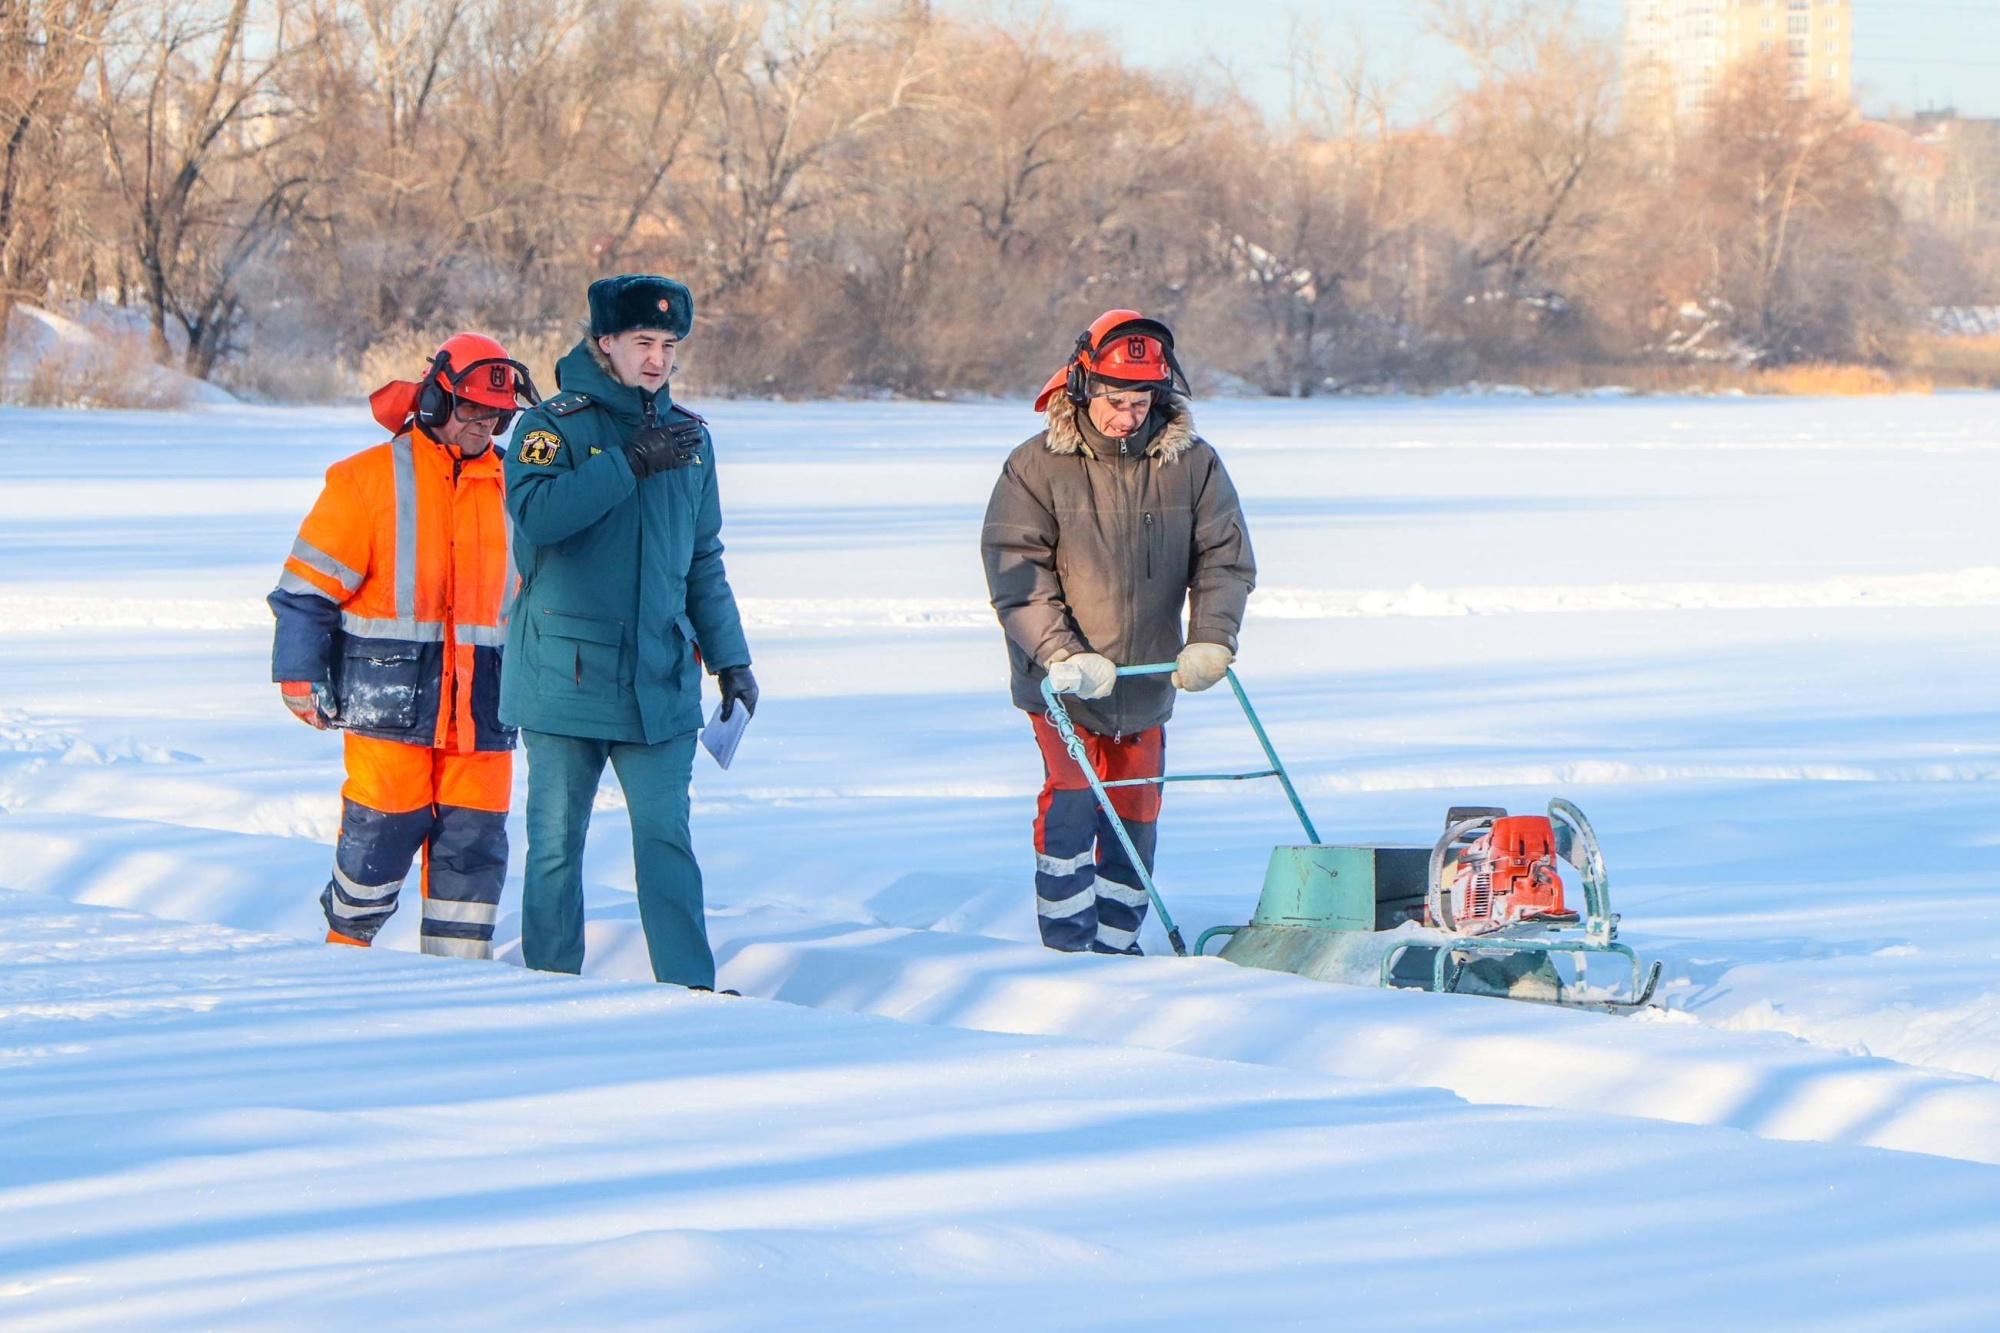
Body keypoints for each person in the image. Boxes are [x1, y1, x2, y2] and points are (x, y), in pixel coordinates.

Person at [500, 274, 755, 988]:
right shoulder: (551, 425)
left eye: (669, 344)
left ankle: (690, 991)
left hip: (659, 677)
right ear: (604, 340)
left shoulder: (692, 439)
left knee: (667, 842)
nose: (657, 359)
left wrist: (731, 661)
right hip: (564, 676)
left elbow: (703, 560)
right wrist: (627, 465)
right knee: (554, 845)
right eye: (643, 341)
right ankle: (548, 988)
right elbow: (539, 516)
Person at [980, 310, 1256, 954]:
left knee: (1136, 811)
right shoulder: (1034, 466)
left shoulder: (1193, 465)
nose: (1125, 418)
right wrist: (1059, 652)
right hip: (1064, 683)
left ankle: (1118, 944)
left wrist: (1212, 636)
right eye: (1113, 401)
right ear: (1080, 387)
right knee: (1074, 798)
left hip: (1146, 678)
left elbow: (1224, 556)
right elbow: (1016, 574)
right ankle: (1069, 945)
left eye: (1139, 403)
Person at [270, 334, 539, 959]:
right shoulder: (366, 480)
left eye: (496, 414)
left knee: (473, 856)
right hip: (386, 705)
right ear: (436, 400)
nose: (486, 424)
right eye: (472, 409)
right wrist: (298, 674)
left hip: (487, 712)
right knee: (376, 841)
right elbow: (304, 593)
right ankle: (342, 957)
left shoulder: (519, 489)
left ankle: (458, 985)